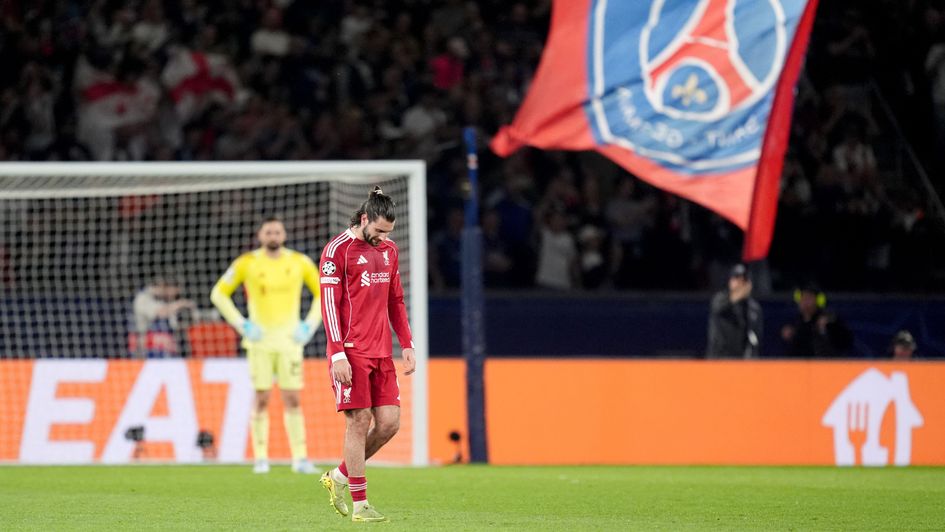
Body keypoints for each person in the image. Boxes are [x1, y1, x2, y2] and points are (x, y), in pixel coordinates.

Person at [318, 186, 416, 523]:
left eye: (388, 233)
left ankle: (339, 476)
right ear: (363, 219)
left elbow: (396, 301)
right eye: (378, 231)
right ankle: (360, 505)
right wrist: (336, 355)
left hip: (381, 352)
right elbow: (328, 305)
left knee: (389, 424)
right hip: (351, 351)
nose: (383, 238)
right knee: (359, 421)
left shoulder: (389, 250)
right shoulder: (337, 251)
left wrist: (407, 344)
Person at [210, 216, 322, 475]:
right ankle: (261, 458)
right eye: (268, 232)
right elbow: (218, 294)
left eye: (277, 231)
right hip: (259, 342)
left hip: (290, 342)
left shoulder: (299, 262)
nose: (273, 236)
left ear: (284, 235)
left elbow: (323, 292)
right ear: (260, 235)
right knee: (261, 398)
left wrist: (308, 325)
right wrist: (242, 324)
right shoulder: (247, 263)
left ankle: (301, 459)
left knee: (292, 398)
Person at [781, 283, 854, 358]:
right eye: (802, 298)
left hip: (826, 366)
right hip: (800, 367)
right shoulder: (794, 323)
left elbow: (845, 344)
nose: (805, 302)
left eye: (809, 298)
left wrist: (826, 329)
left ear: (818, 301)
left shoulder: (830, 320)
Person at [130, 276, 196, 358]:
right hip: (144, 344)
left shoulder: (163, 299)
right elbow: (161, 312)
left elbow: (175, 325)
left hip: (166, 348)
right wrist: (181, 304)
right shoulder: (143, 298)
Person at [706, 264, 763, 359]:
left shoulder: (753, 308)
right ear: (730, 281)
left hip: (741, 360)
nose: (740, 283)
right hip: (719, 359)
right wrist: (741, 292)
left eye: (743, 280)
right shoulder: (720, 299)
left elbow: (756, 336)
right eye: (736, 279)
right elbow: (720, 308)